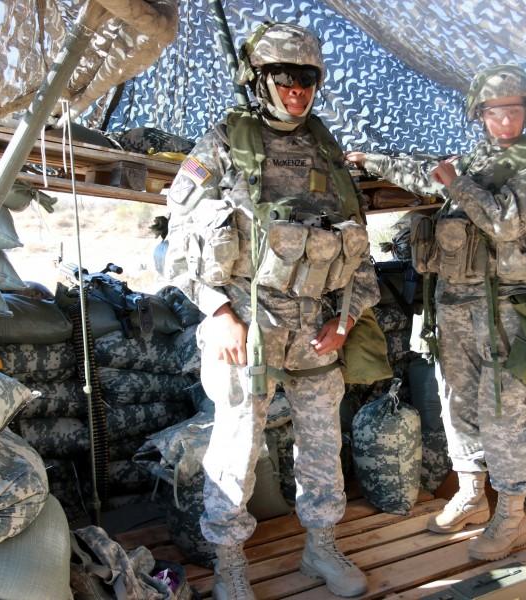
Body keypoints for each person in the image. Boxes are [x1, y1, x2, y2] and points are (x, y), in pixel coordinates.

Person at [161, 22, 379, 599]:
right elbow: (174, 242)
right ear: (258, 80)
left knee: (321, 445)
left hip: (315, 331)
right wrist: (217, 312)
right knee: (235, 447)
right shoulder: (226, 143)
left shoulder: (327, 151)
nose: (297, 91)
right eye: (285, 77)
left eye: (307, 79)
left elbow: (359, 252)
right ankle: (231, 564)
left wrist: (347, 320)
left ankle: (321, 547)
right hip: (246, 326)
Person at [347, 65, 526, 561]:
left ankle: (511, 516)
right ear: (480, 115)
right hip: (455, 304)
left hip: (506, 308)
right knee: (457, 402)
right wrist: (372, 159)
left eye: (513, 111)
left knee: (503, 410)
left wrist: (457, 183)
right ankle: (470, 492)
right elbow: (427, 172)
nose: (505, 121)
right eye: (495, 112)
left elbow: (508, 223)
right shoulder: (478, 160)